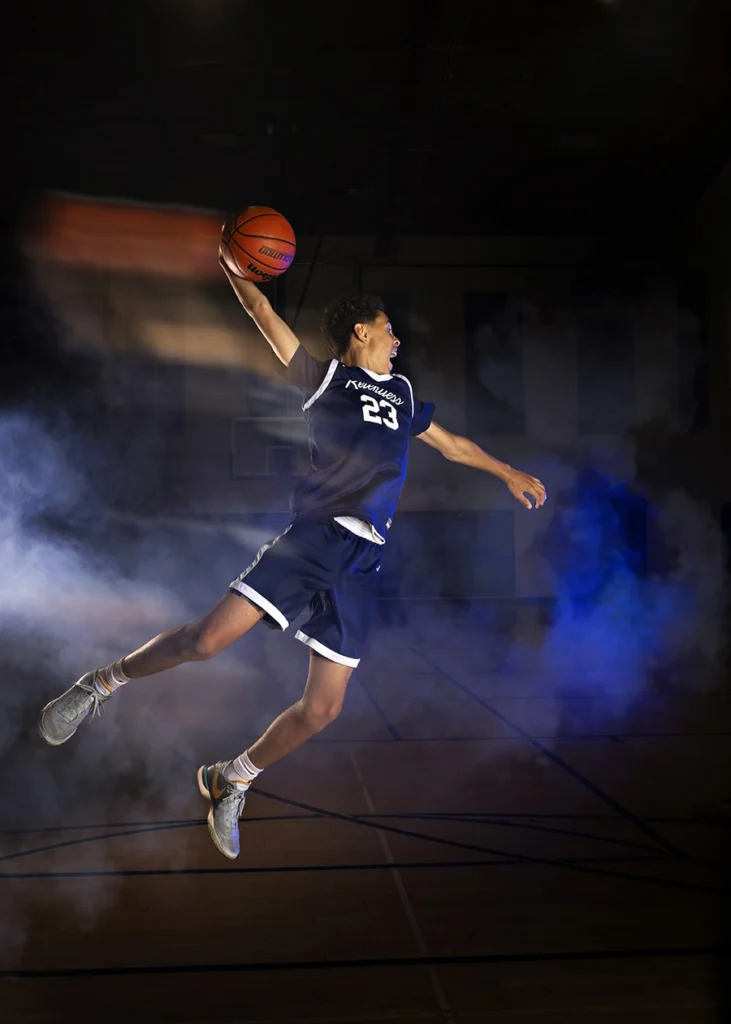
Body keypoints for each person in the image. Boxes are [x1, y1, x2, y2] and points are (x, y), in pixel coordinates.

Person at [39, 244, 547, 860]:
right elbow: (261, 313)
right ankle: (99, 684)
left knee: (323, 709)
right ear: (361, 332)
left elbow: (454, 444)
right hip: (314, 535)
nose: (397, 341)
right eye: (389, 330)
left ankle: (231, 779)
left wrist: (506, 470)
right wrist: (238, 273)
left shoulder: (406, 395)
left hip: (365, 559)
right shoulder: (325, 379)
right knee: (205, 643)